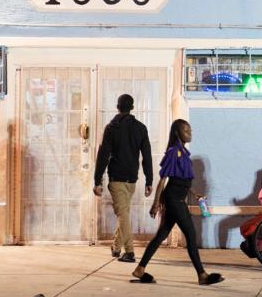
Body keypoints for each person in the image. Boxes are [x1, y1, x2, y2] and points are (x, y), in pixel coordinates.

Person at [131, 119, 224, 285]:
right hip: (174, 199)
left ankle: (140, 269)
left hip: (178, 197)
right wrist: (155, 203)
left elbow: (180, 179)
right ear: (177, 133)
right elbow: (164, 180)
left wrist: (194, 193)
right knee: (190, 234)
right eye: (186, 130)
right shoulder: (174, 152)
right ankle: (202, 275)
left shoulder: (183, 152)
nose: (190, 133)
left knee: (161, 235)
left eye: (190, 130)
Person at [92, 94, 153, 263]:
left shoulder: (112, 128)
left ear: (117, 107)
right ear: (132, 107)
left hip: (117, 177)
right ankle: (117, 247)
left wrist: (97, 180)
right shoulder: (141, 128)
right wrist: (149, 180)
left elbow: (103, 155)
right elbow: (146, 155)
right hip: (132, 179)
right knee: (124, 213)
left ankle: (130, 252)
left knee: (123, 214)